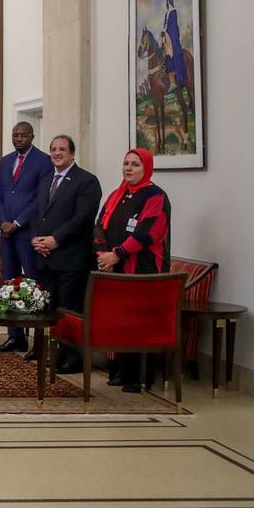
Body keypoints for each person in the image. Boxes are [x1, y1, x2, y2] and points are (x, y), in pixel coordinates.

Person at [94, 148, 172, 392]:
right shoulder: (118, 195)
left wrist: (117, 254)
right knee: (120, 321)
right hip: (114, 269)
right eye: (126, 163)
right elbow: (99, 225)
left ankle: (139, 376)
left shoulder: (156, 196)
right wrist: (103, 255)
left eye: (135, 164)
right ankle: (120, 369)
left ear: (146, 168)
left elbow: (148, 233)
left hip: (142, 271)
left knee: (138, 322)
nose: (128, 168)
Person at [30, 134, 102, 372]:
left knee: (70, 310)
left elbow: (82, 219)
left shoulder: (87, 182)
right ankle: (56, 352)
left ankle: (73, 357)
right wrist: (37, 239)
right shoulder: (46, 180)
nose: (57, 153)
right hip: (45, 258)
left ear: (72, 153)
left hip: (71, 258)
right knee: (50, 309)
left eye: (62, 149)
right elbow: (38, 214)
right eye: (53, 149)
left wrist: (55, 240)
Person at [0, 122, 51, 352]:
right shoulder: (6, 161)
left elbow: (40, 198)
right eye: (15, 135)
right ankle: (15, 335)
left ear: (32, 136)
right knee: (9, 281)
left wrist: (17, 223)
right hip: (7, 235)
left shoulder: (43, 161)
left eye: (23, 135)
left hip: (28, 232)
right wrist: (4, 222)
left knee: (33, 282)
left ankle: (38, 339)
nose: (18, 138)